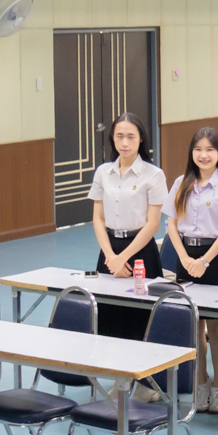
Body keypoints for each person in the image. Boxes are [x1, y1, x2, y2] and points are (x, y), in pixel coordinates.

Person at [167, 127, 218, 411]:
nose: (203, 155)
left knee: (215, 327)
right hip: (185, 257)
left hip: (215, 259)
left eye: (210, 149)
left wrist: (204, 261)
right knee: (193, 327)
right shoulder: (181, 182)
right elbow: (172, 225)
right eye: (198, 149)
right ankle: (200, 381)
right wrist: (184, 258)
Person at [89, 113, 166, 342]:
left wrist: (122, 258)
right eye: (119, 136)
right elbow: (98, 219)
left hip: (140, 251)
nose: (125, 143)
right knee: (108, 319)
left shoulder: (154, 175)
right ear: (112, 138)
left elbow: (153, 224)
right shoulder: (103, 172)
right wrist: (111, 257)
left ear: (141, 138)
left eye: (131, 137)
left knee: (140, 321)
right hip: (109, 251)